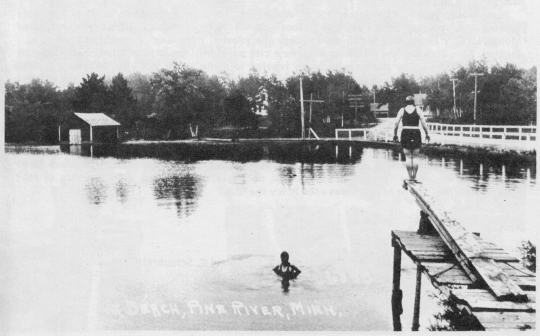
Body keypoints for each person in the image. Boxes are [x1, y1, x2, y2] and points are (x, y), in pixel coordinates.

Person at [393, 96, 430, 180]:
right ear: (413, 102)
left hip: (405, 133)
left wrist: (395, 134)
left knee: (408, 157)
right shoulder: (418, 110)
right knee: (415, 157)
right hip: (416, 133)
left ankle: (410, 176)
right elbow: (424, 123)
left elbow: (396, 123)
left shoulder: (402, 110)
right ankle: (415, 176)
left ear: (406, 102)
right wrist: (427, 133)